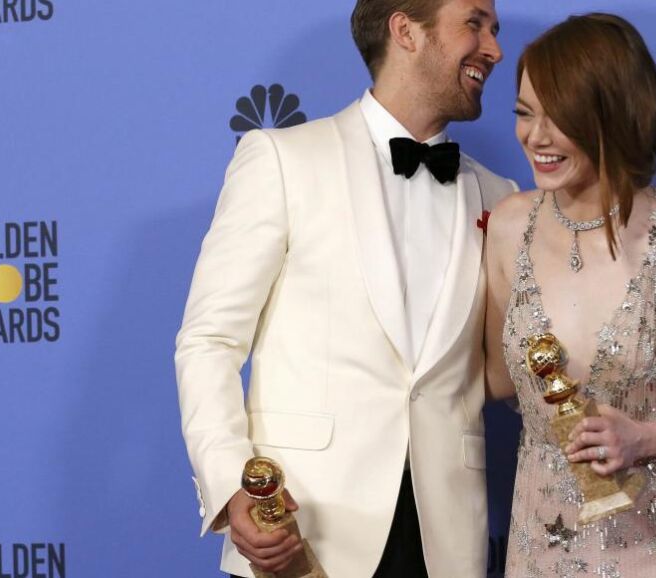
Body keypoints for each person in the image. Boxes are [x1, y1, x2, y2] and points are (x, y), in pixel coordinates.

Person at [175, 1, 512, 576]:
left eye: (495, 30)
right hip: (302, 528)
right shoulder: (284, 160)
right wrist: (233, 487)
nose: (495, 49)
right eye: (474, 24)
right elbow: (209, 341)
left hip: (446, 541)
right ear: (406, 30)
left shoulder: (500, 196)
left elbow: (513, 364)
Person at [483, 13, 656, 577]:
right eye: (524, 113)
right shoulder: (510, 225)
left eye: (559, 117)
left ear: (612, 115)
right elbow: (496, 379)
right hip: (544, 533)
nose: (535, 137)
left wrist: (644, 437)